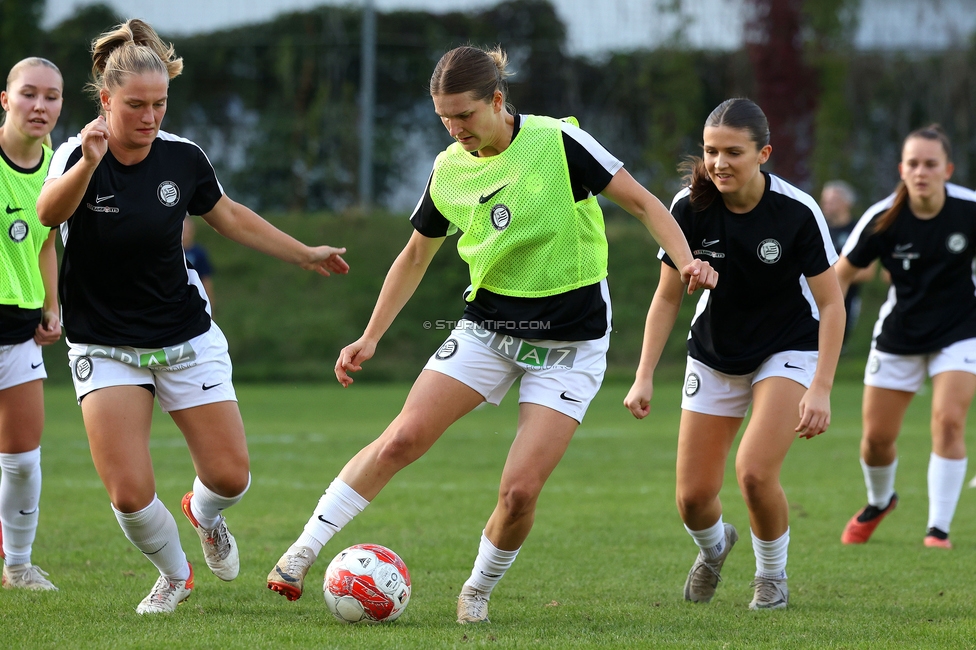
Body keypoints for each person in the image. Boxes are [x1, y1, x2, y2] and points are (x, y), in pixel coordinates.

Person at [266, 44, 716, 623]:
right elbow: (414, 256)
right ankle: (302, 551)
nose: (456, 130)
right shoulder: (449, 168)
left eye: (466, 115)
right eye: (445, 119)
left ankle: (475, 591)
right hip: (488, 332)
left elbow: (646, 204)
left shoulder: (559, 142)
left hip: (569, 349)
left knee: (519, 491)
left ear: (498, 101)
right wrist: (371, 335)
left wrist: (684, 261)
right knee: (402, 438)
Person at [35, 19, 348, 614]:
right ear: (105, 100)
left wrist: (304, 252)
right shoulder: (78, 153)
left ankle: (204, 515)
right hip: (103, 345)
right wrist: (86, 163)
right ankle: (174, 575)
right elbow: (49, 214)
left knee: (231, 478)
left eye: (159, 104)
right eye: (135, 105)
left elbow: (228, 215)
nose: (150, 117)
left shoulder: (182, 157)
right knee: (128, 494)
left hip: (184, 337)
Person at [624, 98, 845, 610]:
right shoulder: (689, 207)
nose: (719, 163)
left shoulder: (796, 211)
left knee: (753, 470)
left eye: (733, 152)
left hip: (787, 347)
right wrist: (643, 375)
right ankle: (715, 547)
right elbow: (667, 297)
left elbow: (832, 305)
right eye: (710, 151)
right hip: (714, 351)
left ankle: (772, 576)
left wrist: (823, 387)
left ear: (763, 152)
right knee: (693, 498)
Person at [836, 124, 976, 550]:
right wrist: (815, 335)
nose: (921, 172)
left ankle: (938, 530)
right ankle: (880, 501)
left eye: (930, 164)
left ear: (947, 169)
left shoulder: (970, 210)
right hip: (899, 333)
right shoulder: (884, 217)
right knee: (877, 440)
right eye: (912, 163)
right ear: (901, 168)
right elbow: (838, 277)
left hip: (960, 331)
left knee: (949, 421)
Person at [0, 57, 64, 591]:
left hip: (19, 332)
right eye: (28, 94)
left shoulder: (54, 168)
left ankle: (17, 567)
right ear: (6, 100)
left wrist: (50, 304)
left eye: (51, 96)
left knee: (21, 460)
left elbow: (44, 241)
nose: (39, 106)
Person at [820, 180, 874, 345]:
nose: (826, 205)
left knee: (835, 344)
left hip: (848, 299)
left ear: (847, 203)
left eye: (832, 201)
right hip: (816, 296)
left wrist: (831, 276)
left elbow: (868, 272)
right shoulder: (818, 228)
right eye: (825, 200)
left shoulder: (859, 230)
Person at [182, 214, 215, 308]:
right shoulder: (169, 253)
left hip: (194, 300)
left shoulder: (199, 253)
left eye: (187, 228)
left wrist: (210, 306)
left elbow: (206, 280)